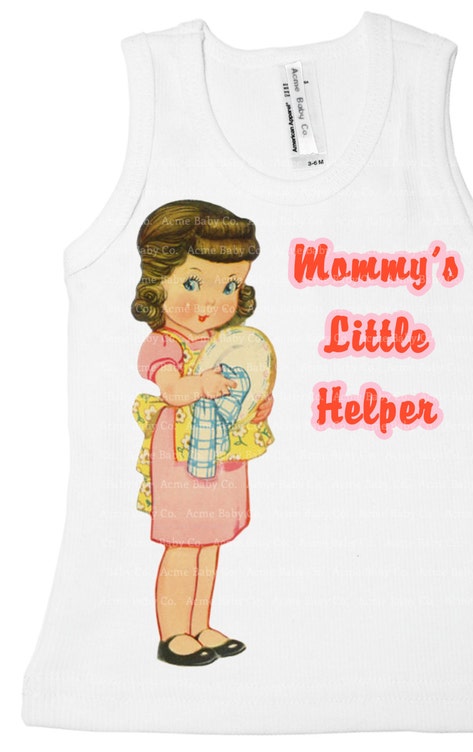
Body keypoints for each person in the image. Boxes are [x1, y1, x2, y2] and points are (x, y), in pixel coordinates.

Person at [131, 200, 276, 665]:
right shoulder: (164, 342)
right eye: (193, 283)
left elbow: (244, 389)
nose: (212, 302)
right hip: (181, 453)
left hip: (221, 452)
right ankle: (174, 633)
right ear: (158, 281)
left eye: (230, 285)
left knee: (210, 542)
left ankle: (199, 625)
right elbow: (173, 390)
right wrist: (202, 385)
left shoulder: (227, 341)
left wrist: (257, 404)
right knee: (182, 543)